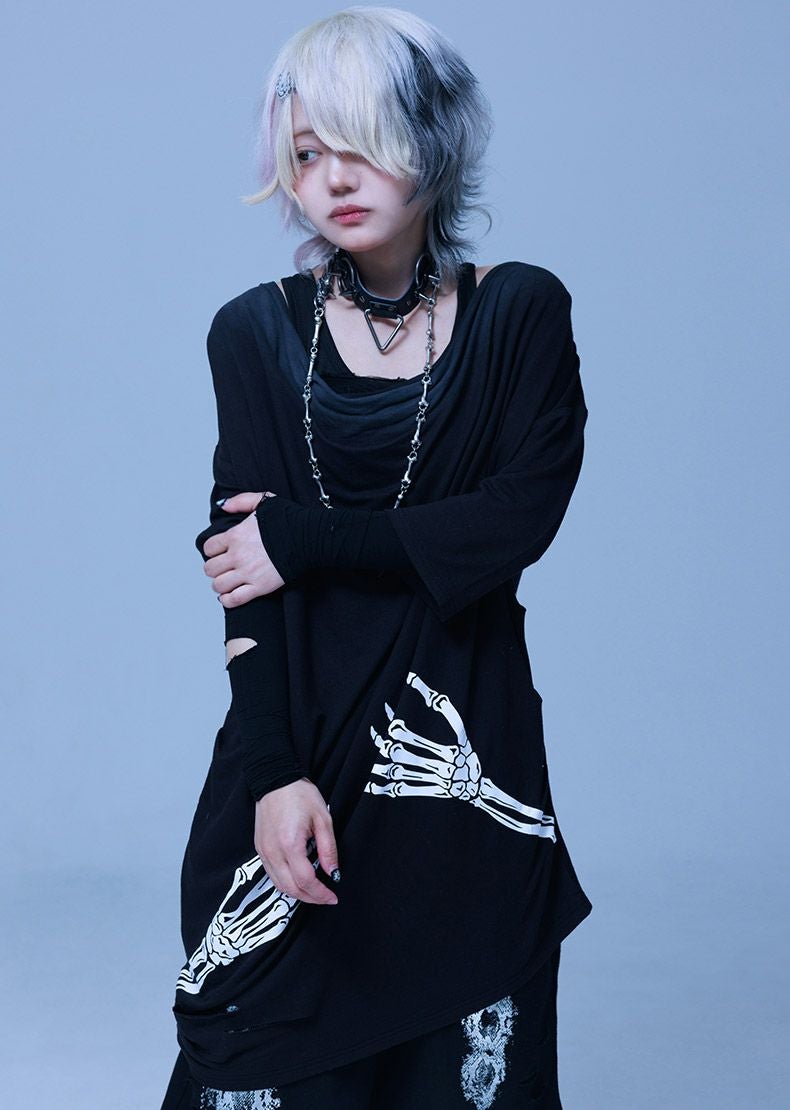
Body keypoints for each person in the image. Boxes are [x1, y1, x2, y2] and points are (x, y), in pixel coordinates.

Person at [161, 7, 593, 1108]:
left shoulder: (518, 314)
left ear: (432, 139)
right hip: (300, 758)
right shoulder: (253, 333)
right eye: (308, 154)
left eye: (365, 143)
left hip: (458, 769)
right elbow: (244, 589)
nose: (335, 179)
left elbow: (515, 521)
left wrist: (304, 536)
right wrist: (272, 777)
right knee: (266, 1058)